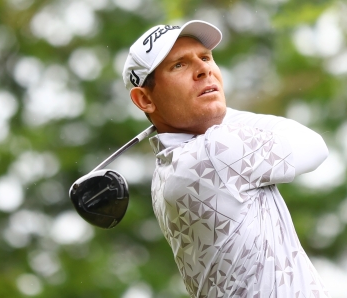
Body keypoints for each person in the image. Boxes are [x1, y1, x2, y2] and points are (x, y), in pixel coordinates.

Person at [122, 20, 331, 298]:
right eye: (179, 65)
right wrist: (212, 104)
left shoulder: (165, 172)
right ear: (145, 100)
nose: (204, 69)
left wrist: (201, 105)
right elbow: (313, 145)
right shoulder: (211, 154)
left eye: (206, 58)